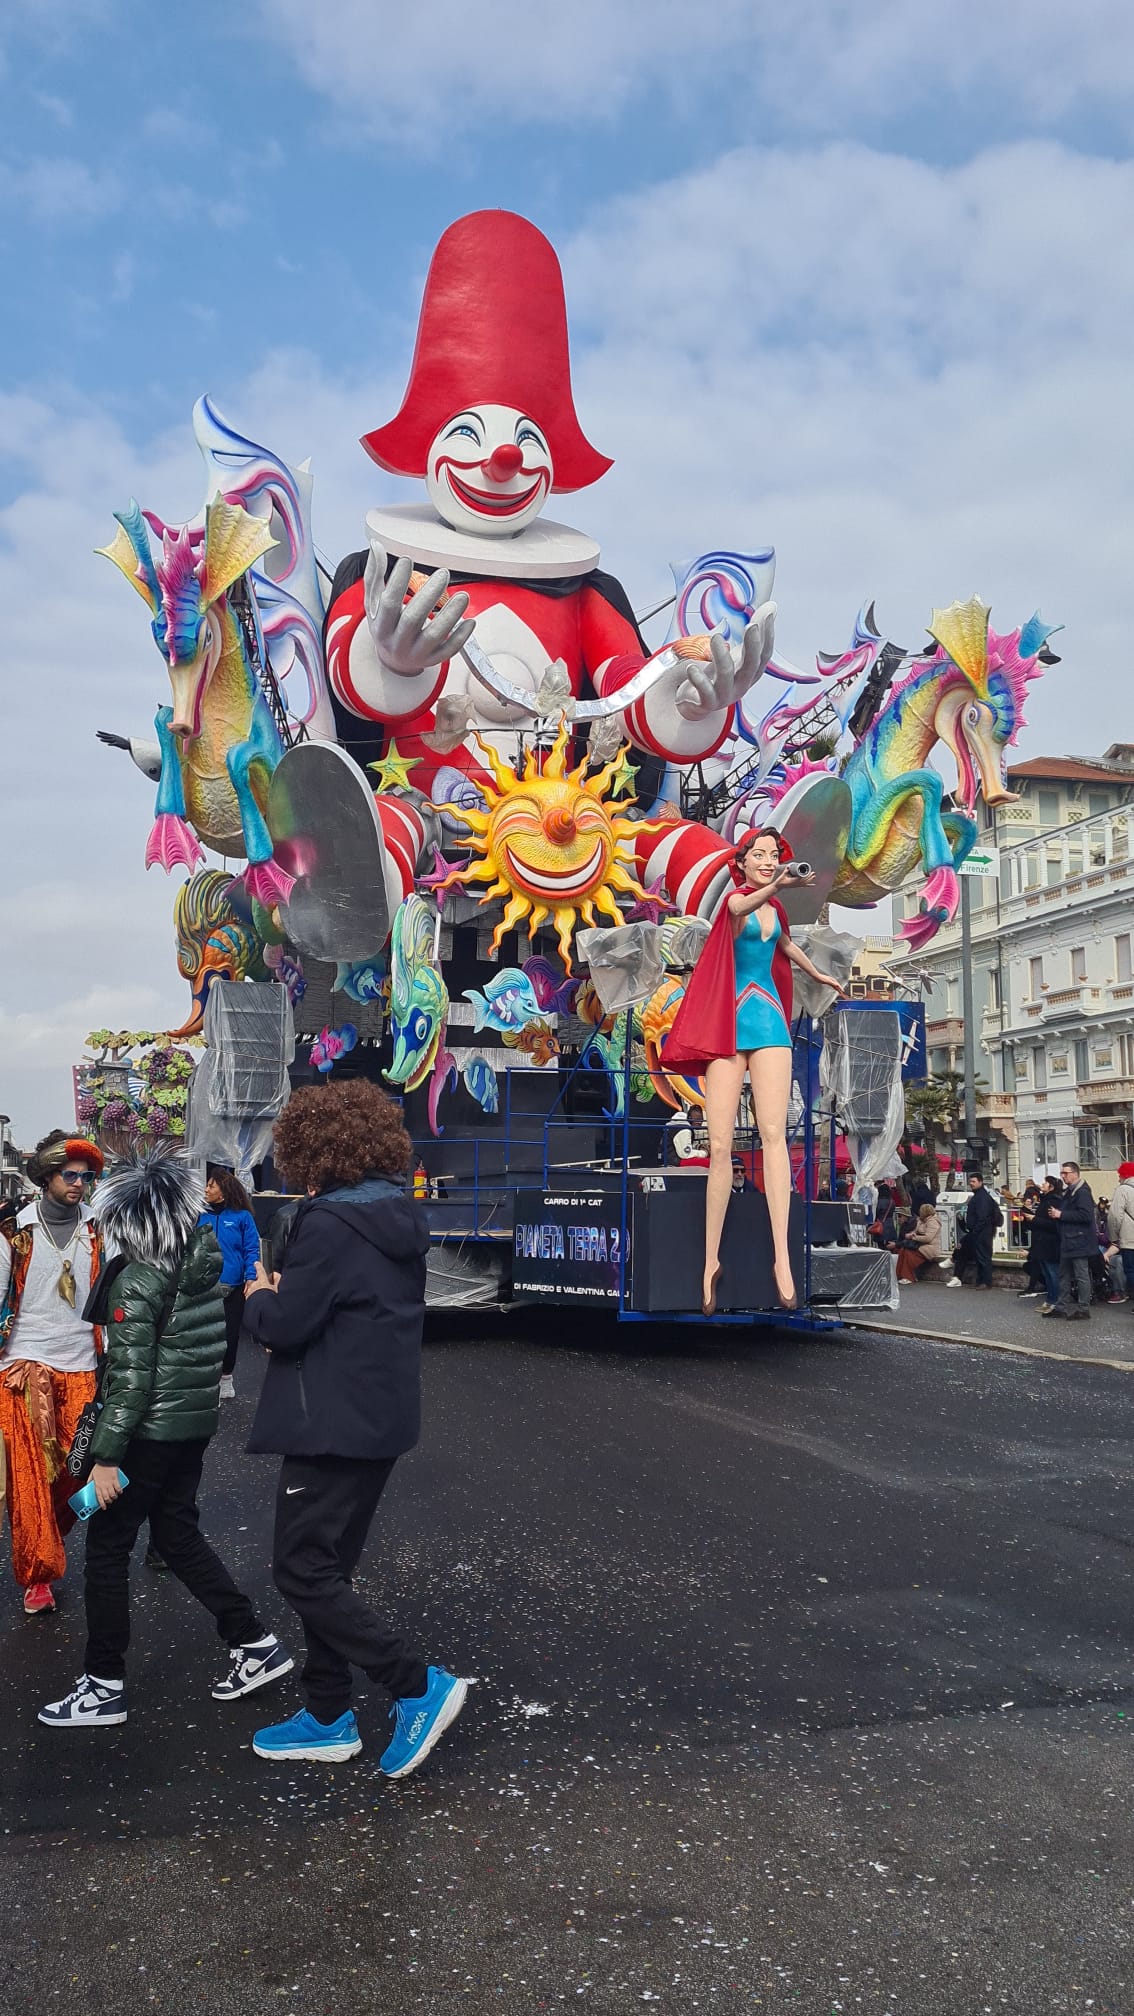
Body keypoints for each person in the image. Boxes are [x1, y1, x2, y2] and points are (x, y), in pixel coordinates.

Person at [242, 1079, 467, 1779]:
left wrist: (258, 1296)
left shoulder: (329, 1223)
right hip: (378, 1419)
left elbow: (288, 1325)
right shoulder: (394, 1213)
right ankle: (329, 1712)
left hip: (329, 1422)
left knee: (300, 1570)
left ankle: (414, 1685)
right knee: (327, 1569)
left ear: (309, 1148)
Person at [39, 1146, 292, 1729]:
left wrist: (105, 1457)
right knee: (176, 1533)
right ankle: (251, 1641)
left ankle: (103, 1684)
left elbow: (130, 1380)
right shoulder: (200, 1259)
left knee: (107, 1549)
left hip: (147, 1431)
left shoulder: (137, 1279)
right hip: (192, 1425)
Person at [663, 827, 845, 1315]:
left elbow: (784, 946)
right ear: (741, 864)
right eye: (760, 855)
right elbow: (738, 911)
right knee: (719, 1145)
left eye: (774, 855)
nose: (769, 860)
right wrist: (778, 884)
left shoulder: (775, 908)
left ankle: (782, 1260)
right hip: (729, 1021)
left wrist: (818, 973)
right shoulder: (738, 901)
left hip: (767, 1019)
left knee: (774, 1136)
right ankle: (709, 1262)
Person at [0, 1131, 105, 1615]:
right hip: (24, 1367)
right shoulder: (12, 1231)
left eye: (86, 1176)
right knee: (28, 1479)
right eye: (70, 1175)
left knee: (80, 1474)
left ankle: (55, 1533)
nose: (79, 1184)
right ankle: (39, 1575)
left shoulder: (101, 1229)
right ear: (46, 1177)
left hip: (83, 1364)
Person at [199, 1169, 261, 1400]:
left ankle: (226, 1378)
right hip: (204, 1287)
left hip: (232, 1288)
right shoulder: (199, 1215)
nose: (206, 1189)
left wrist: (250, 1277)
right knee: (205, 1336)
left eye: (211, 1186)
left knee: (230, 1336)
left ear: (223, 1193)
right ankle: (207, 1381)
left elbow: (251, 1250)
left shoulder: (242, 1217)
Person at [1041, 1160, 1097, 1320]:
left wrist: (1061, 1215)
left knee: (1081, 1275)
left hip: (1079, 1240)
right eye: (1062, 1173)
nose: (1063, 1176)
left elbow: (1086, 1216)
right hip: (1068, 1239)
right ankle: (1061, 1306)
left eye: (1065, 1173)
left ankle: (1083, 1308)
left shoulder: (1082, 1192)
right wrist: (1058, 1214)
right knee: (1063, 1275)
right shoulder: (1070, 1191)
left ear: (1075, 1173)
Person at [946, 1172, 1001, 1289]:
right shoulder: (979, 1196)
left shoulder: (982, 1198)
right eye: (970, 1182)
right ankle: (980, 1280)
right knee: (977, 1255)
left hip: (982, 1232)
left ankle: (985, 1282)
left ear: (980, 1182)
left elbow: (983, 1217)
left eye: (974, 1182)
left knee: (983, 1256)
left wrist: (975, 1231)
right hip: (978, 1231)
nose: (971, 1184)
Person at [1029, 1177, 1063, 1310]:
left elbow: (1054, 1225)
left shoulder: (1053, 1201)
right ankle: (1050, 1299)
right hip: (1041, 1242)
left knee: (1053, 1272)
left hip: (1050, 1243)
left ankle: (1055, 1300)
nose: (1042, 1184)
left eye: (1046, 1183)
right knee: (1047, 1273)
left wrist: (1035, 1219)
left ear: (1051, 1187)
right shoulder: (1045, 1200)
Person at [1105, 1161, 1134, 1301]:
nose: (1118, 1178)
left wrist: (1113, 1236)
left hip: (1130, 1238)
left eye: (1119, 1175)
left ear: (1124, 1175)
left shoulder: (1122, 1190)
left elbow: (1115, 1216)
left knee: (1131, 1270)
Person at [896, 1203, 945, 1283]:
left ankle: (908, 1276)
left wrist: (913, 1237)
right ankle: (900, 1275)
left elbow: (928, 1238)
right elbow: (915, 1231)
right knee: (903, 1250)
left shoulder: (933, 1222)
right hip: (921, 1244)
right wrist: (911, 1234)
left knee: (909, 1254)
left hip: (930, 1247)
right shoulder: (920, 1221)